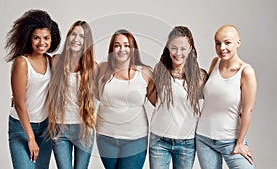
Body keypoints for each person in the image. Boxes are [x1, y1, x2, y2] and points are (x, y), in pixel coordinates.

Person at [5, 9, 61, 169]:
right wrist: (30, 138)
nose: (41, 42)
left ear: (52, 39)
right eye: (36, 38)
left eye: (46, 38)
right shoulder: (22, 63)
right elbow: (20, 104)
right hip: (22, 127)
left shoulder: (51, 61)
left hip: (45, 127)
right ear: (29, 38)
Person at [196, 25, 257, 169]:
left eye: (227, 42)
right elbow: (209, 97)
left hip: (231, 140)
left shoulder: (246, 72)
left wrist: (240, 142)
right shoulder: (215, 62)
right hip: (203, 138)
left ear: (238, 43)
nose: (222, 48)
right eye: (218, 43)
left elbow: (248, 110)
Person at [149, 26, 207, 169]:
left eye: (183, 48)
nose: (178, 53)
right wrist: (165, 107)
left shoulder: (200, 76)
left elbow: (214, 101)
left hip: (186, 142)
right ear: (168, 47)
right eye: (174, 48)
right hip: (159, 140)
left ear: (190, 49)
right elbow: (151, 96)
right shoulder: (160, 70)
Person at [96, 29, 154, 169]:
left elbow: (159, 102)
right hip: (105, 136)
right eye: (117, 45)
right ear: (112, 49)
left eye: (127, 45)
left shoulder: (145, 72)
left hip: (135, 138)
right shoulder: (102, 69)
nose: (122, 49)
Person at [46, 20, 97, 169]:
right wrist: (19, 94)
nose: (76, 39)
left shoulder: (93, 67)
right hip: (59, 127)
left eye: (81, 36)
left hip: (84, 129)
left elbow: (109, 85)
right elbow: (39, 79)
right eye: (73, 34)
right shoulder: (55, 61)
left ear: (86, 41)